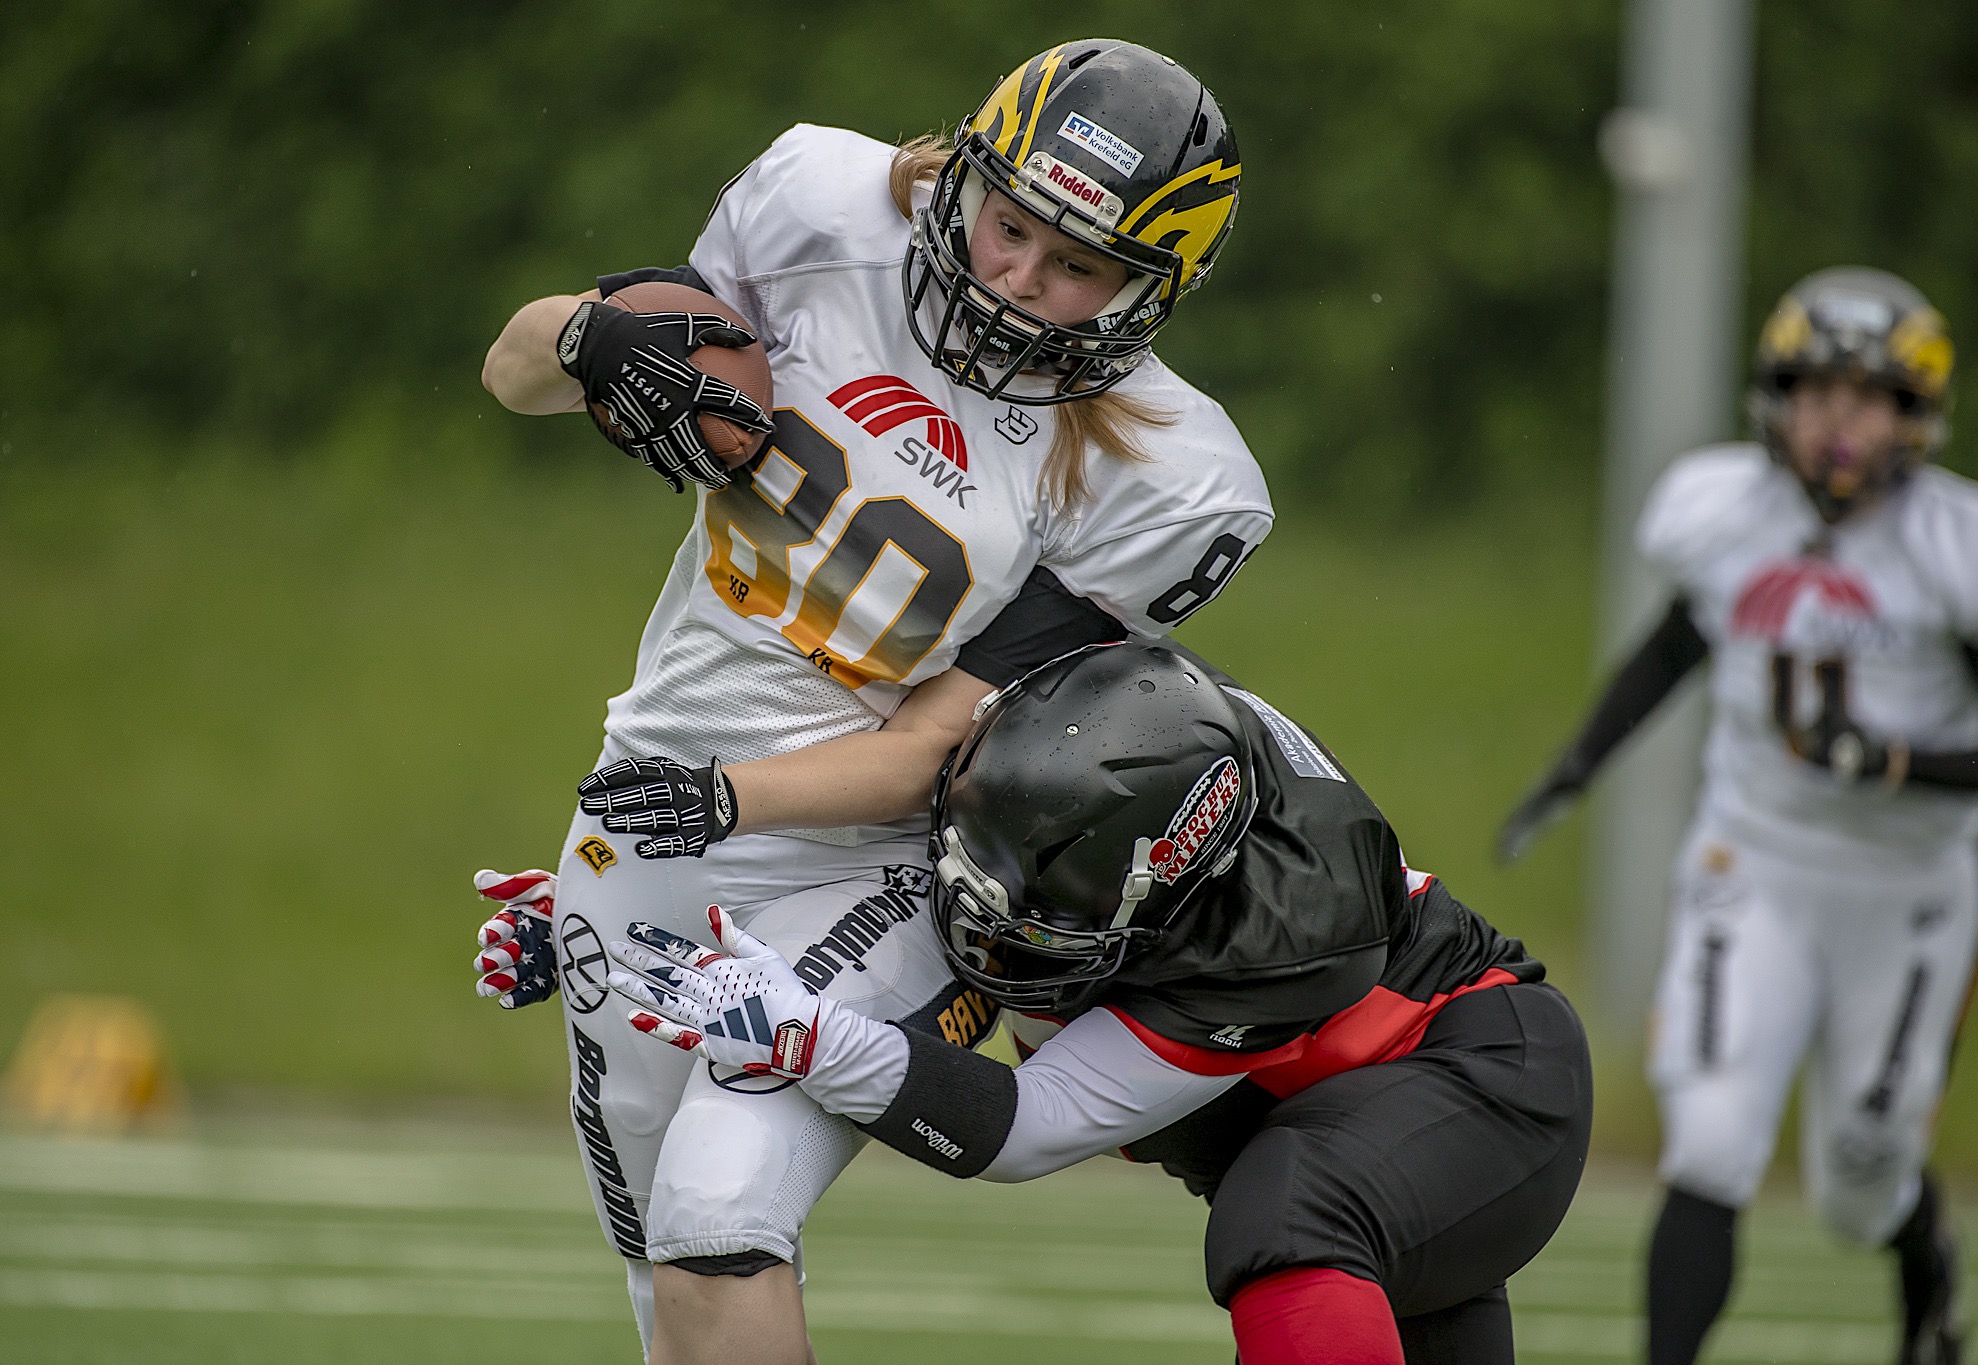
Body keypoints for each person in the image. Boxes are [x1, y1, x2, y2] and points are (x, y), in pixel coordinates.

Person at [468, 40, 1273, 1365]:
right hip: (645, 802)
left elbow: (930, 747)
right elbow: (514, 375)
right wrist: (586, 333)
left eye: (1076, 266)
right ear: (965, 169)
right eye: (1013, 226)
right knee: (659, 1288)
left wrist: (723, 803)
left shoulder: (1172, 474)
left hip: (882, 860)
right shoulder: (816, 204)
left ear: (1152, 290)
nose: (1019, 280)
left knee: (720, 1208)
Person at [608, 642, 1595, 1365]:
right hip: (1361, 1141)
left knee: (1290, 1212)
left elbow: (1024, 1129)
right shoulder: (1090, 738)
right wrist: (602, 924)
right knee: (1300, 1207)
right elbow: (871, 900)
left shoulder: (1281, 931)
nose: (981, 930)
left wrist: (811, 1039)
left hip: (1482, 1084)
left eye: (1040, 921)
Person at [1495, 267, 1978, 1365]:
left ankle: (1922, 1256)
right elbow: (1678, 644)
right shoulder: (1725, 513)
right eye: (1814, 391)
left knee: (1860, 1174)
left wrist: (1894, 762)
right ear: (1773, 397)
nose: (1834, 423)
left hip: (1907, 892)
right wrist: (1577, 764)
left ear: (1914, 414)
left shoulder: (1965, 550)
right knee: (1708, 1141)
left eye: (1866, 397)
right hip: (1751, 861)